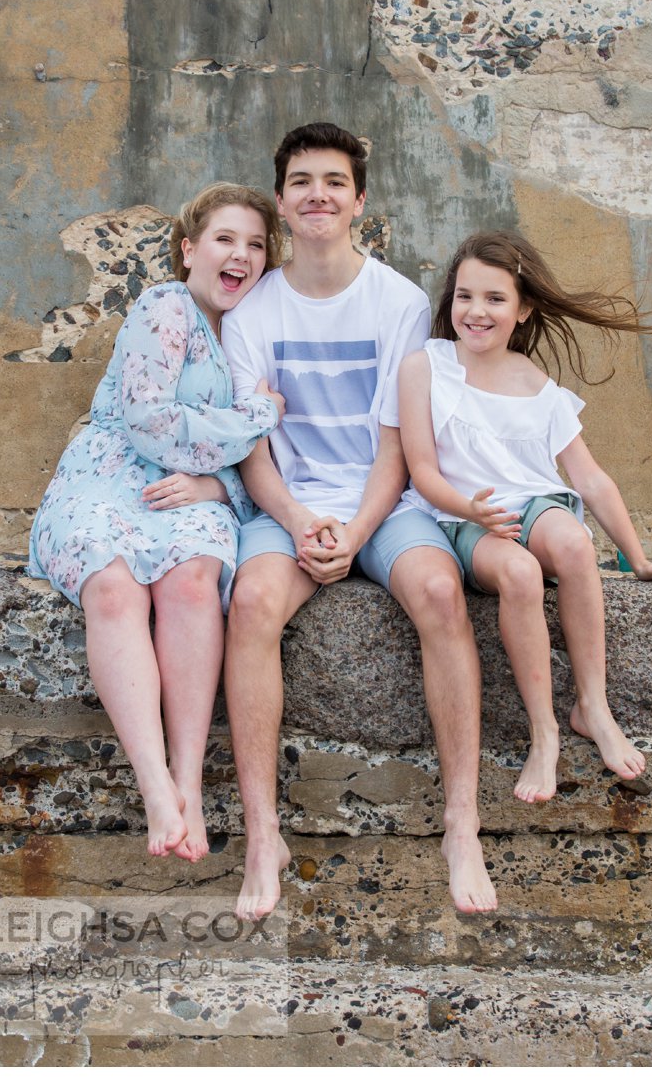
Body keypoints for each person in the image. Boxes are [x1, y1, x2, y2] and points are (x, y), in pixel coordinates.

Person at [221, 123, 494, 918]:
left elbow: (399, 444)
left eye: (334, 182)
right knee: (254, 604)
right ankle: (263, 833)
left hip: (385, 499)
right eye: (302, 181)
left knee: (440, 594)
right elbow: (252, 449)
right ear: (280, 200)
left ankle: (460, 822)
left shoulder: (401, 303)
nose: (318, 194)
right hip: (290, 503)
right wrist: (305, 521)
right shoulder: (251, 313)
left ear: (359, 200)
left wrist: (356, 527)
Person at [399, 231, 652, 805]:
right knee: (518, 574)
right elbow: (421, 469)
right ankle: (544, 732)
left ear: (523, 310)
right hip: (461, 515)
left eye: (495, 298)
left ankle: (593, 705)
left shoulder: (540, 388)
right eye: (464, 296)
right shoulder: (427, 367)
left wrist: (638, 559)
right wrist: (470, 509)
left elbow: (590, 479)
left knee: (572, 544)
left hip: (533, 504)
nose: (476, 311)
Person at [27, 183, 285, 862]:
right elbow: (152, 423)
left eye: (256, 244)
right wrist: (256, 417)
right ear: (189, 249)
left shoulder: (251, 336)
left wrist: (214, 481)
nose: (241, 254)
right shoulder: (164, 305)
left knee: (194, 583)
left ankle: (190, 788)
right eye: (226, 238)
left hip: (198, 493)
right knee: (112, 586)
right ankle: (154, 787)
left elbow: (249, 470)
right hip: (113, 475)